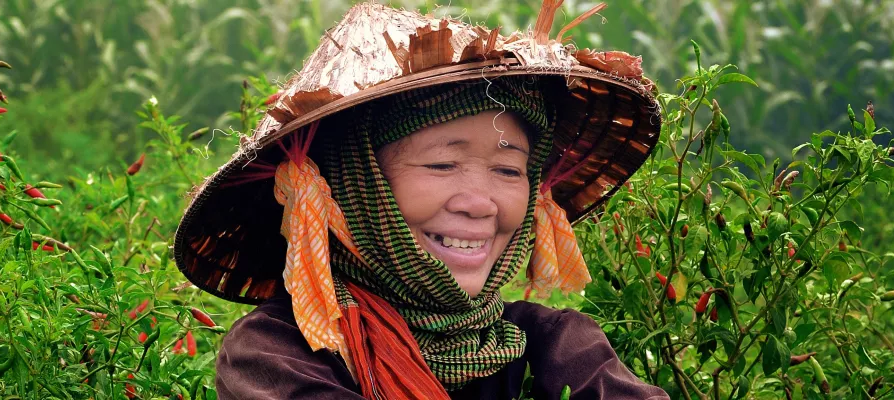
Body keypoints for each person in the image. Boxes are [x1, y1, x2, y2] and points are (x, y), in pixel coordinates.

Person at [172, 2, 667, 398]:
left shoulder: (557, 345)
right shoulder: (275, 356)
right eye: (441, 164)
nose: (481, 204)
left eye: (508, 170)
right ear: (350, 188)